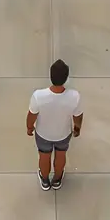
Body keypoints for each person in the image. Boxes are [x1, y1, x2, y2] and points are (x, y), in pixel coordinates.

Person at [26, 59, 83, 191]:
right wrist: (77, 128)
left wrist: (29, 127)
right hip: (63, 134)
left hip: (43, 134)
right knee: (61, 155)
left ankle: (45, 180)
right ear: (66, 77)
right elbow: (78, 116)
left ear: (51, 76)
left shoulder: (38, 96)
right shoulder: (74, 96)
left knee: (44, 156)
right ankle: (57, 180)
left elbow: (31, 115)